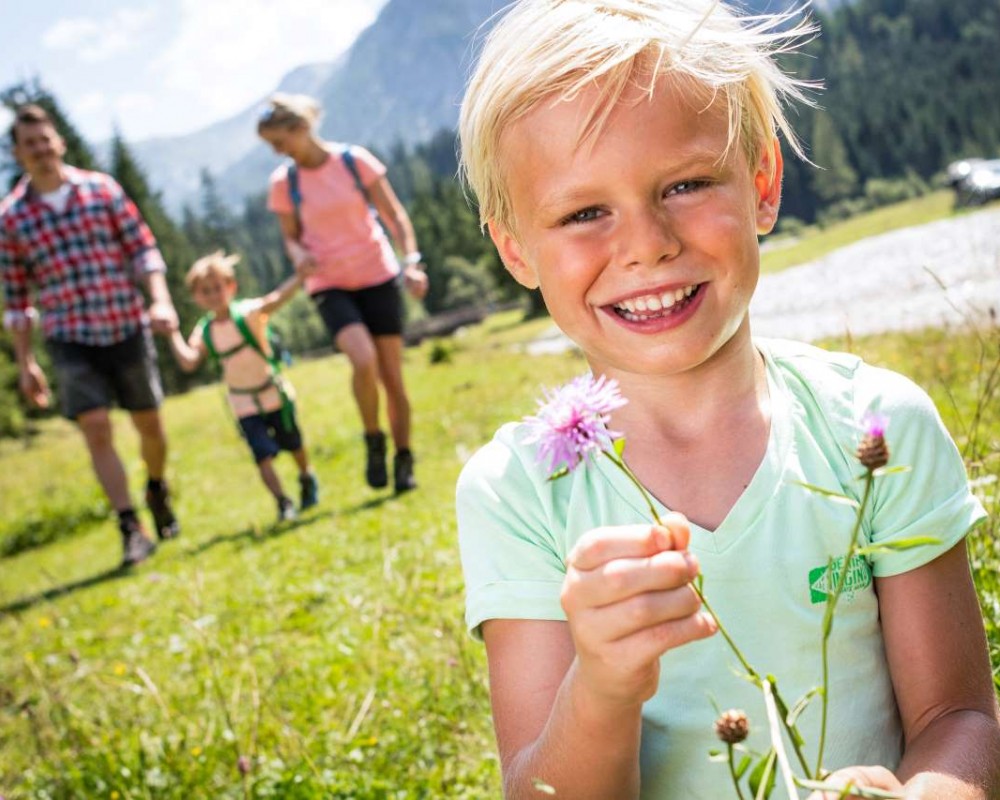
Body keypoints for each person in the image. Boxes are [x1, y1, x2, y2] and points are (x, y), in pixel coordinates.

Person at [454, 2, 1000, 799]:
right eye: (583, 213)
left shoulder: (877, 427)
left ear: (763, 184)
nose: (646, 244)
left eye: (684, 184)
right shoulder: (515, 493)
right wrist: (602, 685)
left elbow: (961, 718)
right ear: (515, 250)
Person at [1, 104, 181, 568]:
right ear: (18, 153)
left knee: (151, 427)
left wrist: (160, 300)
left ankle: (156, 488)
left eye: (46, 140)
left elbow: (142, 249)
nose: (41, 150)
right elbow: (17, 300)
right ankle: (130, 526)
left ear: (58, 142)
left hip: (125, 321)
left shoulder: (102, 189)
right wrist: (27, 363)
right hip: (68, 335)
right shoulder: (12, 217)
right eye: (30, 144)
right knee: (96, 428)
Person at [257, 93, 428, 495]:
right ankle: (373, 437)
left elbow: (394, 215)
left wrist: (413, 261)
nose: (277, 152)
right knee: (362, 358)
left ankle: (403, 458)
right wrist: (300, 257)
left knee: (393, 378)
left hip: (378, 275)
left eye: (280, 142)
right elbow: (290, 239)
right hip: (328, 284)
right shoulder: (285, 183)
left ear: (301, 129)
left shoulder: (354, 162)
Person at [168, 250, 319, 522]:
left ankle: (306, 476)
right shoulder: (204, 331)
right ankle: (283, 502)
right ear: (197, 297)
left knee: (293, 444)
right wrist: (171, 333)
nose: (214, 295)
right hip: (242, 402)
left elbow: (276, 299)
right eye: (206, 291)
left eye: (218, 288)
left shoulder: (248, 313)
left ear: (231, 287)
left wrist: (299, 278)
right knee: (262, 456)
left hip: (273, 393)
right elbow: (189, 362)